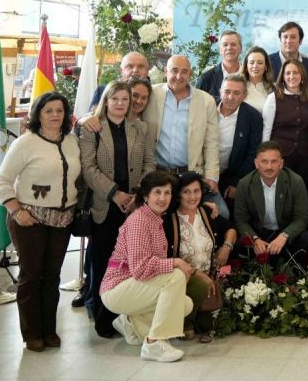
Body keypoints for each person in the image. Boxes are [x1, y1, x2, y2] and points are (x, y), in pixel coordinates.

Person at [0, 92, 81, 353]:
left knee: (52, 276)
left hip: (62, 220)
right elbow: (1, 180)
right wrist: (16, 210)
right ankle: (31, 333)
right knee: (31, 276)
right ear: (38, 114)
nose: (55, 115)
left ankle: (49, 330)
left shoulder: (72, 141)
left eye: (59, 110)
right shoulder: (25, 143)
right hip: (29, 220)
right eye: (48, 111)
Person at [79, 81, 155, 337]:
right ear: (106, 101)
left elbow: (149, 163)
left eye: (125, 99)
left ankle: (126, 316)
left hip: (133, 205)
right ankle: (104, 320)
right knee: (104, 262)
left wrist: (137, 195)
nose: (121, 104)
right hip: (106, 203)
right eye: (116, 99)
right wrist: (115, 193)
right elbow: (88, 168)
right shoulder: (93, 128)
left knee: (130, 263)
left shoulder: (140, 128)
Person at [99, 171, 194, 363]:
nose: (162, 198)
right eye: (157, 192)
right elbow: (140, 269)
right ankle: (153, 343)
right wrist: (176, 262)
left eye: (167, 193)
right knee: (175, 276)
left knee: (185, 304)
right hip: (117, 288)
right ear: (146, 196)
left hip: (134, 286)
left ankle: (130, 324)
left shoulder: (155, 219)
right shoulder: (139, 221)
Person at [164, 171, 236, 343]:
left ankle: (197, 318)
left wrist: (226, 247)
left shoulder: (206, 213)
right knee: (199, 296)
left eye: (196, 191)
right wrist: (198, 275)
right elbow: (167, 259)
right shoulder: (169, 221)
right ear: (178, 194)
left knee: (212, 324)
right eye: (186, 192)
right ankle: (186, 320)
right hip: (186, 280)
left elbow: (231, 229)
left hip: (210, 276)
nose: (192, 196)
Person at [233, 142, 308, 262]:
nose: (269, 167)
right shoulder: (244, 184)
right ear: (256, 163)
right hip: (259, 233)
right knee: (238, 244)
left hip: (285, 233)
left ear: (281, 163)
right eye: (264, 161)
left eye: (274, 161)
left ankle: (295, 275)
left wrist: (285, 235)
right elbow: (241, 220)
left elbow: (301, 218)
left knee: (307, 239)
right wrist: (255, 239)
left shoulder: (296, 182)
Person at [146, 56, 220, 191]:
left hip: (191, 174)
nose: (179, 76)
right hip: (157, 173)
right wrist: (95, 115)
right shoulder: (151, 94)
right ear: (165, 72)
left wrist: (212, 176)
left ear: (190, 74)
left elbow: (212, 142)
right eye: (174, 70)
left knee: (222, 212)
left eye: (184, 71)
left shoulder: (206, 101)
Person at [262, 59, 308, 199]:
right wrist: (264, 156)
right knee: (283, 196)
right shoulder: (273, 98)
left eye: (295, 73)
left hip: (307, 156)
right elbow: (267, 130)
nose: (292, 76)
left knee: (306, 194)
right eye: (288, 73)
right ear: (283, 76)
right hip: (282, 156)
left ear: (302, 75)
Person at [215, 73, 263, 213]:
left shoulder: (253, 117)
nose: (231, 97)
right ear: (220, 92)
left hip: (232, 175)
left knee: (227, 214)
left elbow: (253, 152)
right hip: (204, 171)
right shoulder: (208, 107)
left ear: (244, 95)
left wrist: (237, 183)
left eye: (236, 93)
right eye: (227, 92)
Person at [195, 29, 244, 102]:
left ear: (240, 49)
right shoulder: (205, 79)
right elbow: (196, 106)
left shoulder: (250, 76)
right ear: (220, 50)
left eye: (233, 44)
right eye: (225, 45)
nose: (229, 48)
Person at [267, 20, 308, 88]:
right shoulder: (267, 61)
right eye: (285, 37)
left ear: (300, 41)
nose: (288, 41)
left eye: (293, 37)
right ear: (280, 40)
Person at [243, 46, 275, 113]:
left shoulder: (274, 89)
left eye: (260, 63)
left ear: (266, 66)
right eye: (251, 63)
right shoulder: (238, 87)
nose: (255, 66)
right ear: (246, 66)